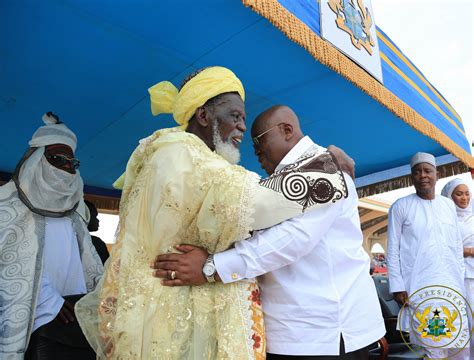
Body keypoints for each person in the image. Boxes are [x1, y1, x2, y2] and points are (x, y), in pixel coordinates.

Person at [75, 67, 352, 359]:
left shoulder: (185, 153)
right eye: (235, 116)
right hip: (176, 318)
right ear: (204, 116)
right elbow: (262, 204)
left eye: (243, 118)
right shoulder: (183, 155)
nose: (243, 128)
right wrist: (327, 164)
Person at [151, 105, 386, 359]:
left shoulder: (326, 171)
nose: (256, 155)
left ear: (286, 130)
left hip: (322, 332)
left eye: (260, 145)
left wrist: (211, 268)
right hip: (292, 331)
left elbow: (293, 239)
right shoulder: (278, 182)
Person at [0, 112, 103, 359]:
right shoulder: (7, 207)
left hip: (77, 317)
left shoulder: (74, 212)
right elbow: (7, 263)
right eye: (58, 158)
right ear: (38, 159)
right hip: (36, 320)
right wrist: (50, 303)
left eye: (72, 162)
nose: (67, 166)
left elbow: (90, 264)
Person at [387, 152, 468, 359]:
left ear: (436, 175)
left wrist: (459, 279)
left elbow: (456, 245)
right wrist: (397, 286)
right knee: (432, 346)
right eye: (417, 172)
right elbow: (393, 249)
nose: (422, 175)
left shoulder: (448, 205)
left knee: (458, 345)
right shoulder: (400, 206)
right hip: (420, 287)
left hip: (452, 286)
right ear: (412, 177)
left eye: (427, 171)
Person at [442, 178, 473, 359]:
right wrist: (468, 251)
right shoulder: (444, 220)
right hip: (453, 276)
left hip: (472, 276)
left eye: (467, 193)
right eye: (459, 194)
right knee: (459, 323)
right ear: (449, 196)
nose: (464, 198)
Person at [84, 199, 110, 265]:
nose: (98, 220)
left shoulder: (67, 239)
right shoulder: (96, 242)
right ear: (85, 217)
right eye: (95, 216)